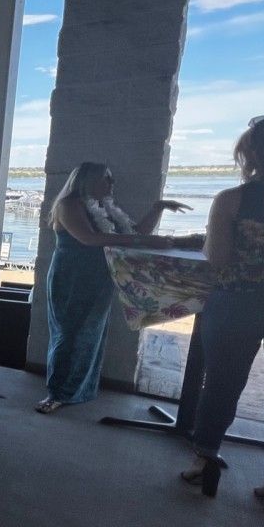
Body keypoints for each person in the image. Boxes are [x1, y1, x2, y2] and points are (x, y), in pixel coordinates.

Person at [181, 114, 264, 513]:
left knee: (221, 384)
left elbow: (219, 257)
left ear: (255, 152)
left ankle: (205, 462)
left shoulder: (233, 200)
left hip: (236, 302)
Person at [36, 162, 190, 414]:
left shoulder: (106, 207)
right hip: (72, 278)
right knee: (69, 334)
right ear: (88, 180)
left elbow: (133, 232)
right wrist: (143, 240)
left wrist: (157, 208)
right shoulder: (69, 205)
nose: (111, 184)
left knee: (90, 335)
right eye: (106, 178)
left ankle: (77, 390)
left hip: (100, 278)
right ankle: (56, 392)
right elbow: (90, 238)